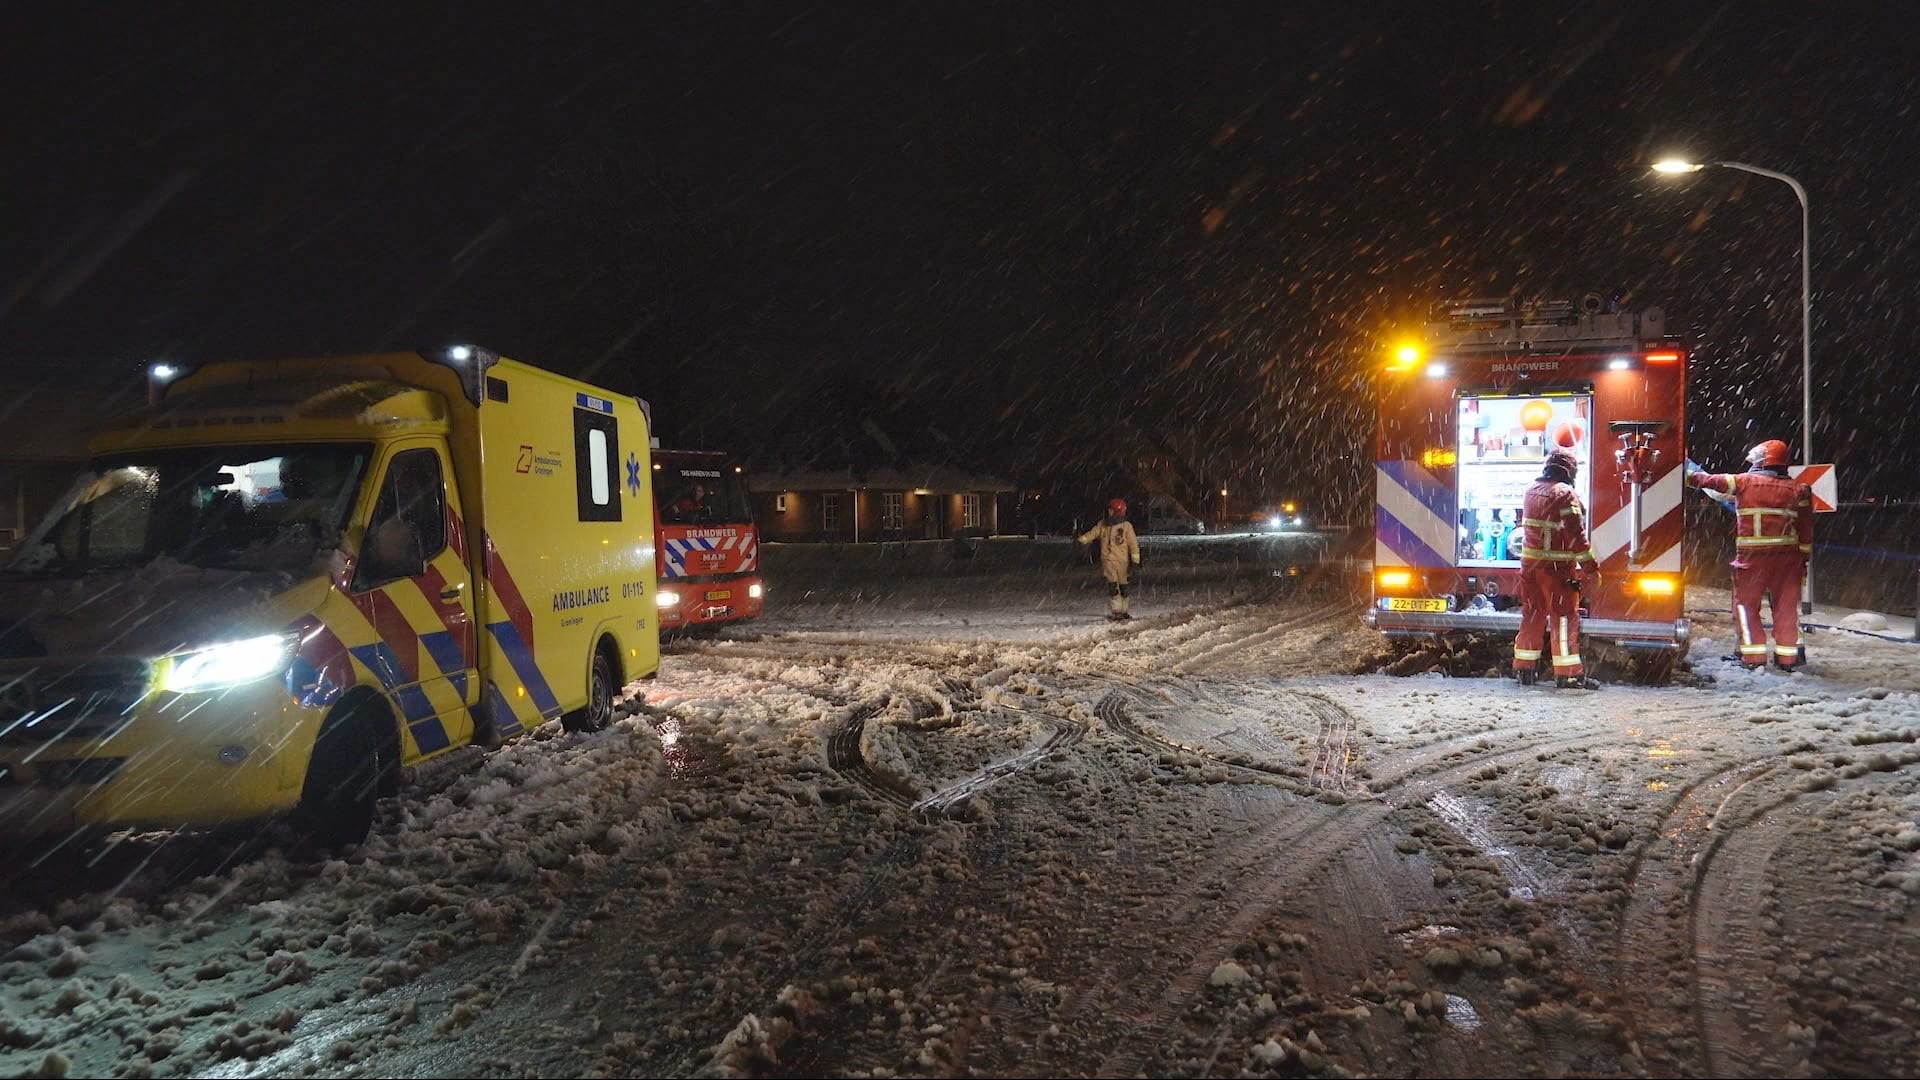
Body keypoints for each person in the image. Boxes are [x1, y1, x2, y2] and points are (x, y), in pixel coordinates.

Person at [1687, 439, 1814, 671]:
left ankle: (1753, 658)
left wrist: (1685, 473)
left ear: (1762, 460)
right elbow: (1806, 530)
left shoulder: (1744, 482)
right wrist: (1803, 560)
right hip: (1789, 561)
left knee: (1746, 608)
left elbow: (1709, 481)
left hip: (1752, 560)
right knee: (1786, 609)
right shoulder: (1800, 489)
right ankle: (1788, 660)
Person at [1512, 449, 1602, 689]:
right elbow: (1576, 538)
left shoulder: (1530, 490)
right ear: (1569, 471)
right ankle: (1568, 674)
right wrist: (1591, 569)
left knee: (1532, 616)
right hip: (1557, 570)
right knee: (1563, 619)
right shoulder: (1564, 494)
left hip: (1530, 567)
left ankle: (1524, 670)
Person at [1077, 497, 1141, 621]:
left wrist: (1135, 562)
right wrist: (1081, 540)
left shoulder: (1126, 526)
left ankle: (1124, 610)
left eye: (1111, 510)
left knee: (1124, 587)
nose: (1109, 512)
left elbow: (1133, 545)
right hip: (1108, 562)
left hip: (1122, 562)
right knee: (1112, 587)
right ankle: (1116, 611)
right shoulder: (1103, 524)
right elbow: (1092, 533)